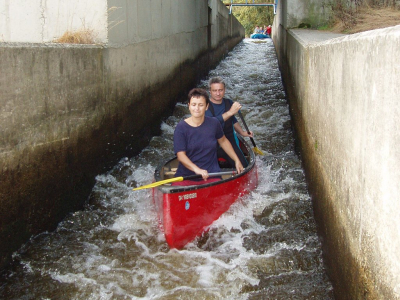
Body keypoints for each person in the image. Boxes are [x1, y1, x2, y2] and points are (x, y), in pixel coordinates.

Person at [173, 88, 244, 186]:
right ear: (189, 106)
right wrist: (197, 169)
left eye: (201, 105)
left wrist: (237, 160)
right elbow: (181, 155)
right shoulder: (181, 128)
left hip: (211, 174)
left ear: (206, 107)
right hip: (187, 175)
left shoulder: (214, 123)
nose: (197, 108)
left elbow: (223, 141)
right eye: (194, 105)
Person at [206, 77, 253, 168]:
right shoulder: (205, 105)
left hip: (229, 140)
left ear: (225, 90)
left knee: (243, 167)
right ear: (210, 91)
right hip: (211, 143)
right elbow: (212, 123)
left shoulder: (228, 102)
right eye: (215, 90)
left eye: (220, 90)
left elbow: (233, 120)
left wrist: (242, 132)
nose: (218, 93)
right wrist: (230, 112)